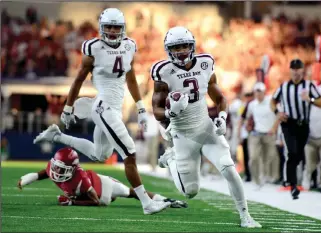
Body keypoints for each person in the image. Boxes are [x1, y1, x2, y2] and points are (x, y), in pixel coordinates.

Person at [33, 8, 170, 214]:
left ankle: (58, 136)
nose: (113, 31)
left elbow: (130, 77)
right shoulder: (93, 47)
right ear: (101, 28)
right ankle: (146, 203)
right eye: (109, 27)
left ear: (123, 28)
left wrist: (141, 107)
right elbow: (79, 78)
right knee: (129, 152)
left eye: (117, 27)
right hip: (103, 107)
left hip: (115, 106)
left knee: (100, 154)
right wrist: (68, 108)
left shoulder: (129, 45)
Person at [151, 26, 261, 228]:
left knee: (229, 169)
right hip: (183, 136)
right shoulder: (163, 71)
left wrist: (221, 116)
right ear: (168, 50)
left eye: (185, 45)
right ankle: (172, 159)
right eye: (176, 47)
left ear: (192, 46)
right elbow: (156, 108)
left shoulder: (205, 64)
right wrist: (170, 113)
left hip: (206, 129)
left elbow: (219, 97)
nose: (182, 51)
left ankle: (245, 215)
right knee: (190, 192)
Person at [18, 148, 187, 208]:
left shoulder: (80, 179)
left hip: (104, 188)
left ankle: (169, 201)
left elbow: (96, 202)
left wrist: (71, 202)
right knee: (131, 194)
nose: (55, 171)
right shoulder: (54, 168)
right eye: (56, 166)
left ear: (72, 168)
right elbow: (43, 173)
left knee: (133, 193)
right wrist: (27, 179)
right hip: (92, 190)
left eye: (61, 168)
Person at [271, 59, 321, 200]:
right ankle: (292, 184)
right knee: (292, 152)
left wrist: (310, 100)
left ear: (302, 70)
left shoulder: (309, 86)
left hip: (303, 125)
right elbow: (273, 101)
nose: (296, 71)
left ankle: (292, 180)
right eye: (293, 69)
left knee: (299, 155)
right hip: (289, 123)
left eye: (298, 69)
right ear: (290, 70)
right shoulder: (283, 86)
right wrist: (277, 112)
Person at [243, 82, 279, 188]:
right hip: (256, 133)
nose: (258, 95)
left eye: (260, 92)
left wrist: (273, 129)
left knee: (269, 157)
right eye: (256, 92)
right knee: (253, 157)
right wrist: (247, 126)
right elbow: (247, 117)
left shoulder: (271, 102)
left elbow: (278, 116)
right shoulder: (252, 104)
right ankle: (256, 179)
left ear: (264, 92)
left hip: (269, 133)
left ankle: (266, 176)